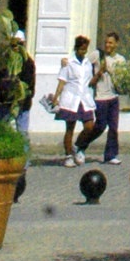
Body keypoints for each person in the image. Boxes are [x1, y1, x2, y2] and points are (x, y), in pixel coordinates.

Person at [76, 33, 122, 165]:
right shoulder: (98, 55)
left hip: (113, 96)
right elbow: (83, 63)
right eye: (106, 42)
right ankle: (81, 145)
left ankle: (110, 155)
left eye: (111, 43)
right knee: (100, 125)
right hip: (100, 97)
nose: (108, 45)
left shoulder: (120, 60)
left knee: (113, 127)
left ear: (116, 44)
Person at [53, 34, 96, 166]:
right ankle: (68, 155)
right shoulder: (69, 63)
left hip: (84, 99)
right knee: (70, 128)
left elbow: (90, 81)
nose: (83, 52)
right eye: (81, 49)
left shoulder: (88, 64)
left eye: (85, 49)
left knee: (90, 126)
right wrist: (56, 97)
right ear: (76, 48)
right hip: (71, 99)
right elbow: (62, 81)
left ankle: (78, 146)